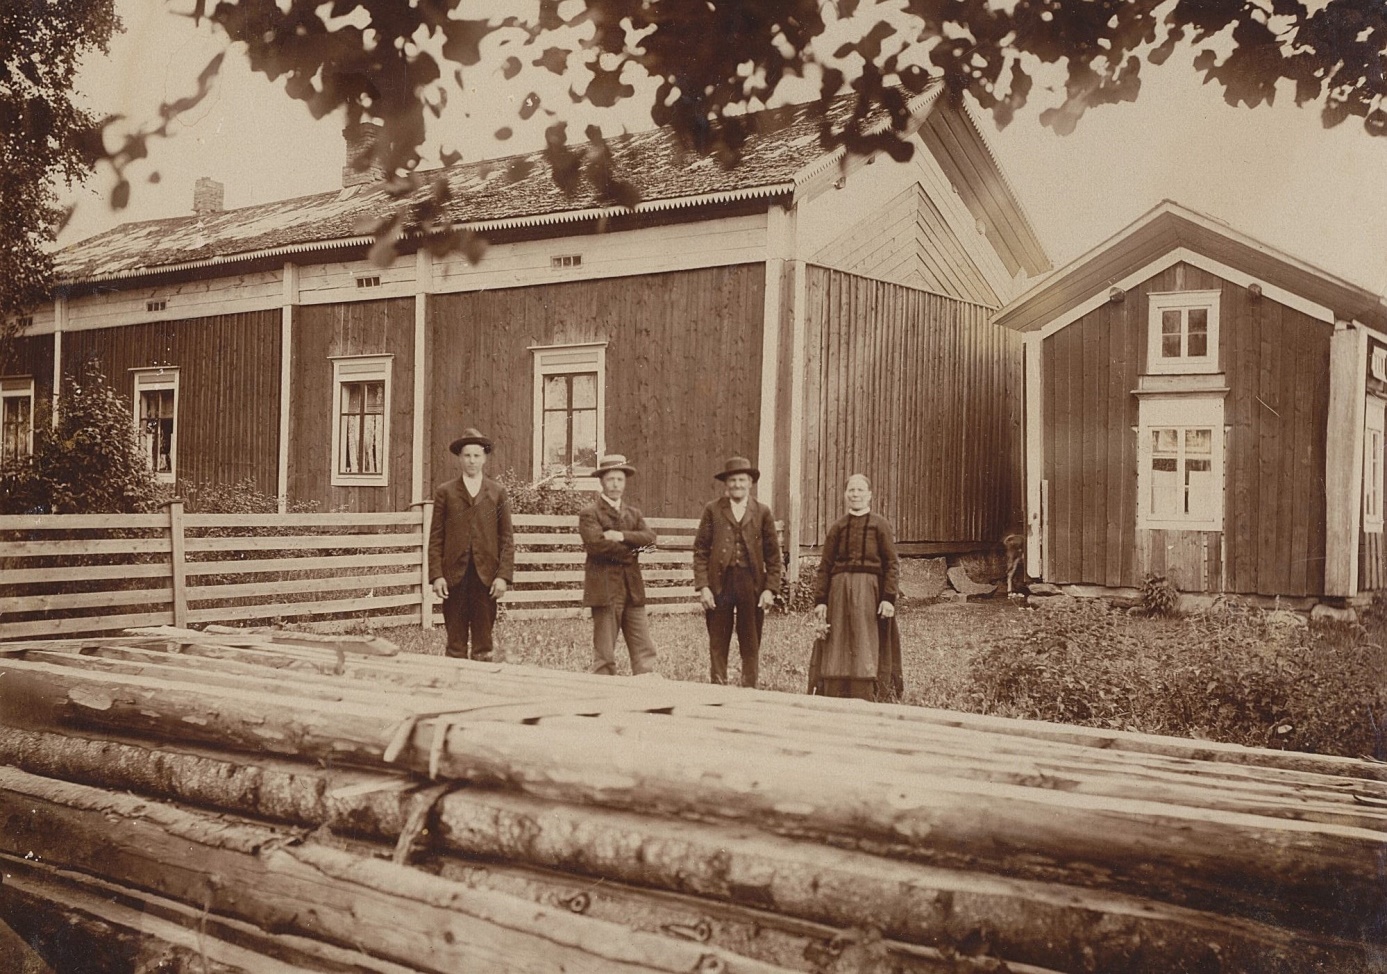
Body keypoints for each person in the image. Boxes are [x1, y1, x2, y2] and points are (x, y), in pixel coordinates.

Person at [692, 455, 783, 687]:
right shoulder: (713, 510)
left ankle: (749, 687)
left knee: (750, 639)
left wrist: (770, 589)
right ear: (726, 484)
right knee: (718, 639)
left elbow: (773, 555)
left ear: (750, 483)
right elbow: (701, 549)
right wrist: (703, 587)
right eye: (732, 480)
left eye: (742, 480)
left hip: (751, 584)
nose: (737, 485)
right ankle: (718, 686)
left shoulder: (762, 512)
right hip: (719, 584)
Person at [810, 474, 903, 701]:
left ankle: (867, 691)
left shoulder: (880, 525)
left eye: (860, 490)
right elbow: (825, 566)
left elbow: (891, 564)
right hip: (838, 592)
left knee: (865, 638)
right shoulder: (837, 528)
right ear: (845, 495)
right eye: (851, 490)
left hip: (870, 592)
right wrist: (821, 600)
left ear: (869, 495)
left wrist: (888, 598)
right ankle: (835, 689)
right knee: (838, 637)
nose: (855, 495)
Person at [428, 428, 514, 661]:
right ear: (459, 458)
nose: (472, 461)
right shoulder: (445, 492)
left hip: (486, 577)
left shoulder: (497, 492)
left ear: (484, 458)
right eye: (467, 455)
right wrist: (437, 575)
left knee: (483, 643)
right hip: (454, 576)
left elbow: (506, 538)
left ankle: (480, 688)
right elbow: (436, 536)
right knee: (455, 641)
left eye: (477, 455)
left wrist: (502, 577)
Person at [579, 454, 659, 676]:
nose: (615, 484)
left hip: (632, 589)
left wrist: (621, 536)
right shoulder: (590, 514)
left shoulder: (633, 514)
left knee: (644, 650)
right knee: (605, 655)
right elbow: (596, 546)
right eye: (611, 479)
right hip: (605, 591)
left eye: (620, 479)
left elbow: (651, 541)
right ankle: (603, 699)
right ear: (602, 482)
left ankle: (646, 696)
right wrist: (633, 551)